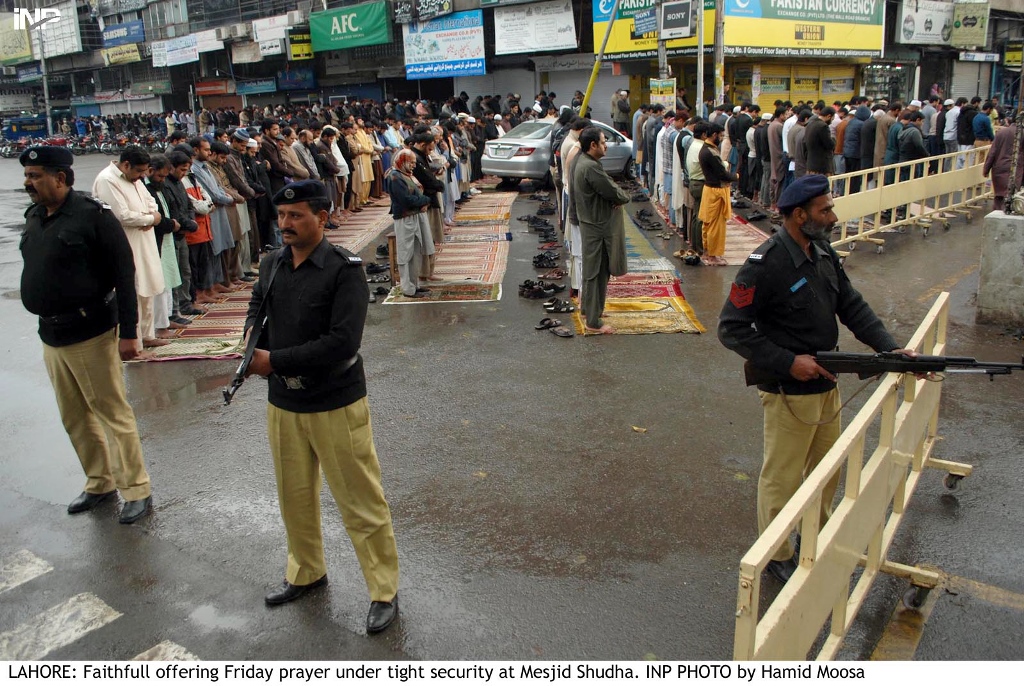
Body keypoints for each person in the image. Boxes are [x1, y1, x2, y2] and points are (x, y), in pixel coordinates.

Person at [717, 174, 912, 584]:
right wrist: (788, 362)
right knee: (783, 477)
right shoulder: (765, 265)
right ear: (799, 215)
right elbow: (732, 328)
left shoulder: (822, 251)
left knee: (827, 471)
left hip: (826, 383)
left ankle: (811, 536)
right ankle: (776, 552)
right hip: (790, 391)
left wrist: (889, 348)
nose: (833, 216)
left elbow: (852, 306)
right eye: (825, 210)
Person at [244, 179, 400, 634]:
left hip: (334, 400)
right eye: (282, 216)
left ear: (322, 218)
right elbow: (257, 310)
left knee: (360, 500)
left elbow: (342, 342)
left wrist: (273, 360)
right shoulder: (273, 263)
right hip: (284, 402)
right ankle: (305, 572)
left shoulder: (343, 269)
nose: (286, 224)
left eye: (296, 216)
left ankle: (383, 589)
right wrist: (248, 342)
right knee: (294, 496)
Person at [19, 146, 153, 524]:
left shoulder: (93, 217)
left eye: (35, 176)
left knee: (111, 412)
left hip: (91, 332)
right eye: (27, 175)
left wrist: (130, 333)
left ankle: (136, 489)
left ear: (60, 178)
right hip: (52, 333)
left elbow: (124, 276)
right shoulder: (35, 216)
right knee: (74, 415)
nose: (28, 183)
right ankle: (99, 482)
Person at [92, 146, 168, 349]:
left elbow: (151, 202)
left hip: (145, 240)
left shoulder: (134, 179)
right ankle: (134, 342)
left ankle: (147, 335)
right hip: (126, 242)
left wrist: (151, 217)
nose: (142, 176)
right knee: (132, 288)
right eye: (139, 171)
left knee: (147, 286)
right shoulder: (107, 180)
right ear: (126, 165)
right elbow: (120, 215)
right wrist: (150, 219)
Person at [571, 127, 630, 335]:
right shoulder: (590, 167)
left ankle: (590, 310)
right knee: (596, 273)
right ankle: (593, 322)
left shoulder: (585, 162)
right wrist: (622, 198)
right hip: (598, 226)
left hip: (592, 224)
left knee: (593, 270)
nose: (606, 146)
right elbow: (615, 192)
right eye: (603, 142)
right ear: (593, 145)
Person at [388, 149, 433, 298]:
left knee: (415, 252)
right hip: (405, 219)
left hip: (415, 217)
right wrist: (425, 200)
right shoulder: (395, 177)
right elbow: (406, 200)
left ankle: (414, 285)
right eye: (411, 162)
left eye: (414, 162)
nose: (413, 165)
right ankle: (407, 288)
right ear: (403, 161)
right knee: (405, 254)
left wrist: (423, 200)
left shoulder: (406, 175)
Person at [697, 123, 736, 266]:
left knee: (709, 224)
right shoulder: (710, 152)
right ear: (714, 135)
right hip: (715, 191)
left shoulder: (707, 149)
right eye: (720, 135)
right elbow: (722, 173)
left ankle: (708, 253)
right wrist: (735, 176)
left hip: (711, 190)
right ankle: (712, 256)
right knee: (714, 226)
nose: (721, 138)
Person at [982, 122, 1024, 212]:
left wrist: (986, 169)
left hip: (999, 168)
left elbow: (992, 152)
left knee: (999, 195)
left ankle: (997, 214)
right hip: (1016, 168)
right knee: (1013, 195)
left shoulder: (1001, 133)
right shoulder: (1021, 133)